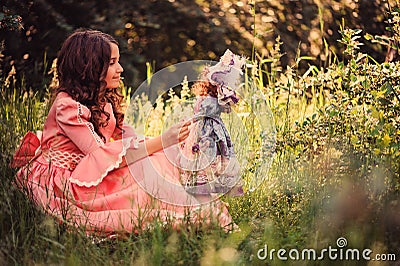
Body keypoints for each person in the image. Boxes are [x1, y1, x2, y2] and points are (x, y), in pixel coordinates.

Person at [11, 29, 235, 235]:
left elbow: (129, 140)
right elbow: (101, 156)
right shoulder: (67, 107)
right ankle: (180, 213)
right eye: (112, 63)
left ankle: (190, 207)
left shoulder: (103, 100)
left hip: (90, 171)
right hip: (66, 179)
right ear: (89, 68)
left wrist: (178, 139)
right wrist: (162, 141)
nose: (120, 69)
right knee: (146, 167)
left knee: (154, 159)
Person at [178, 49, 245, 197]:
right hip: (206, 131)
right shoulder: (209, 99)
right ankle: (204, 189)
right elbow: (204, 112)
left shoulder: (211, 98)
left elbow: (224, 106)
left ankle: (208, 188)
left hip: (209, 130)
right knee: (206, 155)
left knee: (210, 156)